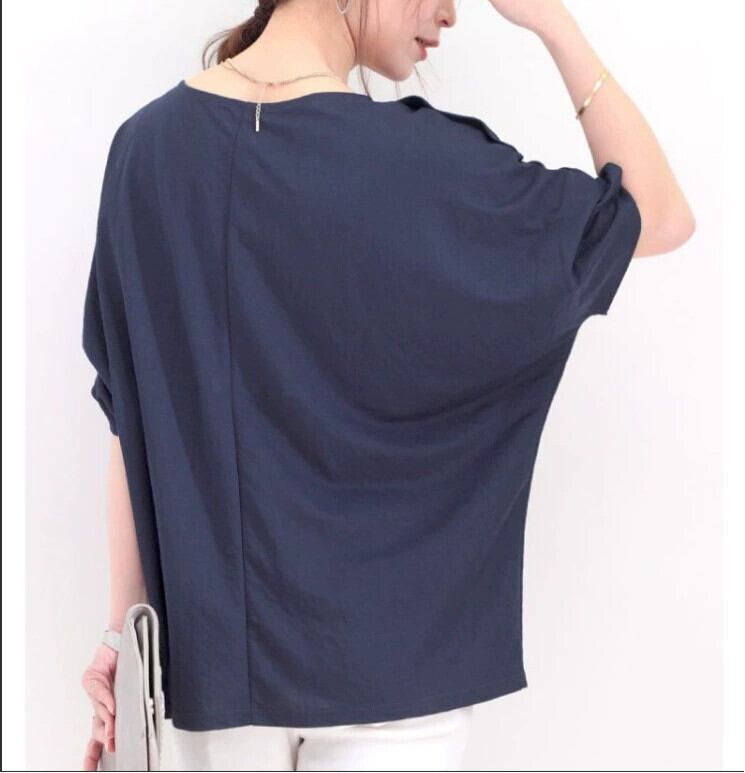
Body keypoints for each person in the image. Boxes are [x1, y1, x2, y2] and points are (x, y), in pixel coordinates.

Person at [79, 0, 695, 770]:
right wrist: (550, 21)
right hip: (393, 676)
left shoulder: (146, 152)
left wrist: (122, 633)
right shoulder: (432, 168)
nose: (450, 13)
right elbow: (657, 213)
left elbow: (131, 413)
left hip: (207, 675)